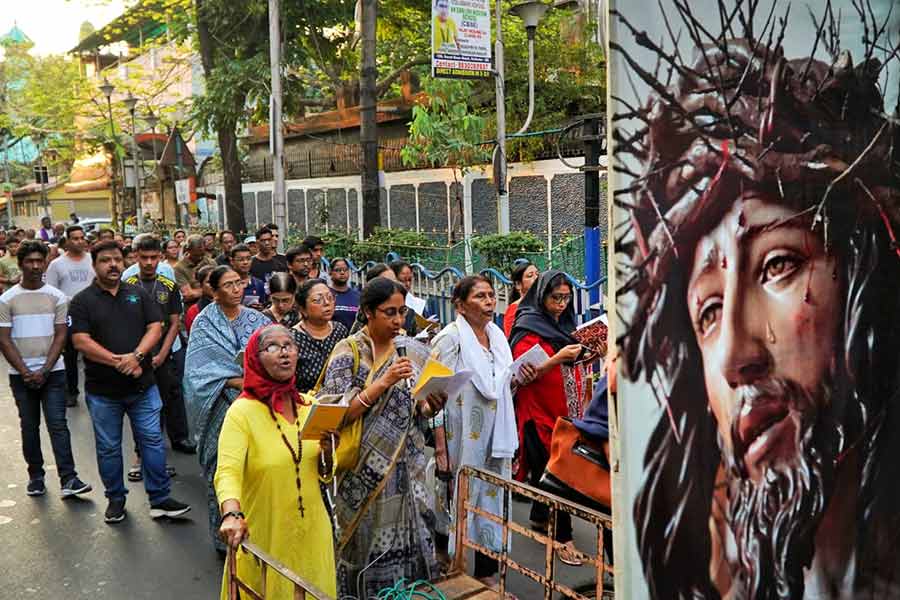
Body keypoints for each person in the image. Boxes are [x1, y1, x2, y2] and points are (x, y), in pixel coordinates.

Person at [615, 21, 900, 597]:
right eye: (710, 311)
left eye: (777, 267)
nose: (735, 355)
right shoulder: (714, 567)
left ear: (862, 276)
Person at [318, 277, 447, 597]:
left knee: (416, 542)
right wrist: (382, 382)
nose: (398, 321)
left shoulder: (410, 348)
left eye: (402, 312)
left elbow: (419, 409)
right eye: (389, 313)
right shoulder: (348, 352)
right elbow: (334, 414)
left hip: (411, 467)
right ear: (367, 312)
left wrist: (433, 404)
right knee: (366, 548)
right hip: (365, 475)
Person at [69, 240, 191, 524]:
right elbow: (80, 341)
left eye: (116, 260)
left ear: (124, 262)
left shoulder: (137, 293)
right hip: (103, 392)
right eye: (105, 260)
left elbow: (156, 326)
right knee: (109, 446)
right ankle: (115, 499)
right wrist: (119, 362)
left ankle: (160, 499)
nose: (112, 265)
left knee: (152, 442)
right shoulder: (82, 301)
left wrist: (137, 357)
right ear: (94, 265)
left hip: (143, 387)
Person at [215, 325, 338, 599]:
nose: (284, 353)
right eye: (272, 347)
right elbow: (227, 471)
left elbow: (323, 473)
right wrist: (232, 514)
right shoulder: (241, 413)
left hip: (312, 531)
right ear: (255, 358)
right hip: (266, 532)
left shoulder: (310, 405)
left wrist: (328, 452)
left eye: (289, 345)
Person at [431, 276, 536, 589]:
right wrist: (439, 449)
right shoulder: (449, 339)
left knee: (492, 499)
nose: (489, 301)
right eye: (480, 296)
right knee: (457, 500)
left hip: (494, 439)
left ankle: (487, 573)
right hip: (459, 438)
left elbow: (500, 386)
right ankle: (451, 567)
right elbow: (433, 394)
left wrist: (519, 379)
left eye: (491, 295)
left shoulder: (498, 337)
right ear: (460, 305)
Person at [184, 266, 270, 553]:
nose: (236, 289)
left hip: (257, 401)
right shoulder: (204, 324)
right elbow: (198, 372)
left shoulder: (258, 319)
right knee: (223, 469)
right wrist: (237, 381)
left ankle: (257, 535)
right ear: (215, 291)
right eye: (229, 285)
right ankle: (224, 538)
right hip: (220, 402)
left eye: (239, 283)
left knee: (258, 466)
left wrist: (255, 383)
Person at [0, 241, 92, 499]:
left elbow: (61, 335)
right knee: (29, 426)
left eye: (39, 261)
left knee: (58, 425)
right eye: (29, 261)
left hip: (54, 373)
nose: (35, 266)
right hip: (21, 376)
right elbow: (4, 340)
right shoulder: (7, 299)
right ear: (21, 264)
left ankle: (69, 478)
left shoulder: (57, 296)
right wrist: (26, 371)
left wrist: (45, 369)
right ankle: (36, 477)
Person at [509, 269, 587, 564]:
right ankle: (562, 538)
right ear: (542, 297)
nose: (562, 304)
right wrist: (557, 358)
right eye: (556, 298)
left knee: (551, 471)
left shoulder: (564, 324)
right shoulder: (527, 327)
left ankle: (541, 516)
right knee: (557, 475)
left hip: (564, 414)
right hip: (538, 414)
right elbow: (524, 372)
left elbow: (578, 360)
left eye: (567, 298)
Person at [125, 236, 194, 455]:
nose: (148, 262)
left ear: (160, 257)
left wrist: (163, 353)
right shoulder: (128, 285)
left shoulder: (169, 285)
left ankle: (180, 438)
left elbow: (175, 322)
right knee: (143, 402)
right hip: (139, 353)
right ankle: (145, 448)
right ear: (136, 257)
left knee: (172, 394)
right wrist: (140, 353)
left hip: (166, 352)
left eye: (153, 257)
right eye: (144, 257)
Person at [45, 225, 94, 407]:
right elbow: (51, 292)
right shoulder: (57, 265)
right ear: (67, 241)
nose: (80, 241)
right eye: (75, 238)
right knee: (70, 357)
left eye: (82, 237)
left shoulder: (93, 260)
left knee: (93, 355)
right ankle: (71, 392)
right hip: (68, 316)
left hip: (93, 316)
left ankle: (97, 392)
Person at [292, 279, 348, 393]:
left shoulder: (340, 331)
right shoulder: (292, 339)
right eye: (318, 300)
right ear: (303, 309)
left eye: (330, 297)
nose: (327, 303)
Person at [174, 234, 215, 305]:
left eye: (202, 255)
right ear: (188, 250)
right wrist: (212, 290)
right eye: (196, 255)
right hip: (193, 307)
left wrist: (197, 291)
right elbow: (188, 295)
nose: (199, 258)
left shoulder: (211, 262)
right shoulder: (179, 267)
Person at [503, 262, 539, 337]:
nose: (536, 278)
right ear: (518, 284)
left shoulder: (542, 304)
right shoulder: (514, 310)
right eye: (530, 276)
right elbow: (513, 339)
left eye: (537, 274)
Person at [230, 243, 267, 308]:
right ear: (232, 261)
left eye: (248, 259)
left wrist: (259, 308)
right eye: (241, 260)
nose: (245, 262)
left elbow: (263, 306)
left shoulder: (259, 284)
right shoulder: (227, 284)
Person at [329, 257, 360, 332]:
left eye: (345, 270)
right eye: (338, 270)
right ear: (330, 272)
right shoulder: (326, 295)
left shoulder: (358, 296)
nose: (342, 273)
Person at [185, 265, 216, 335]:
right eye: (208, 282)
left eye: (216, 281)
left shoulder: (231, 306)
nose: (213, 285)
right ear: (201, 285)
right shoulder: (194, 311)